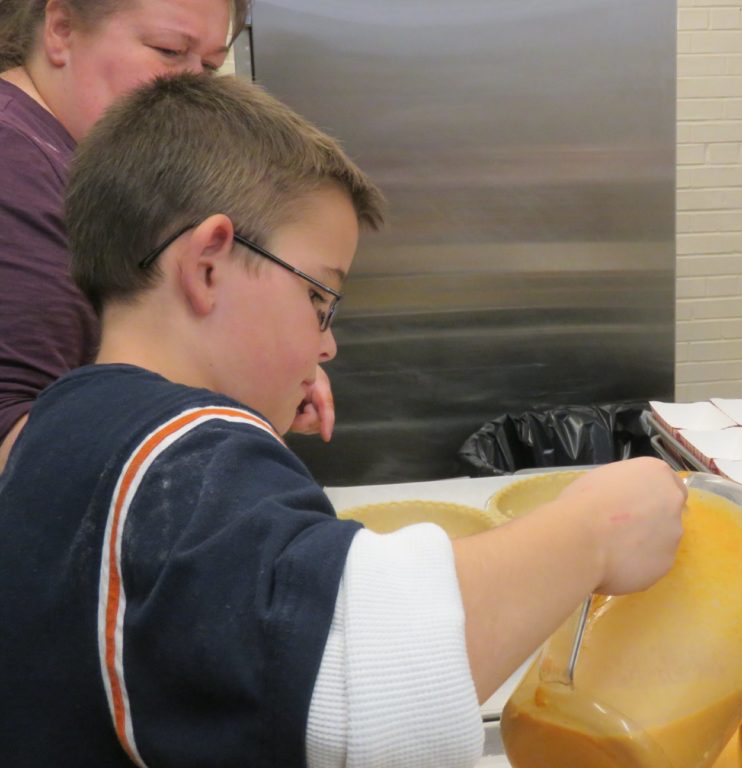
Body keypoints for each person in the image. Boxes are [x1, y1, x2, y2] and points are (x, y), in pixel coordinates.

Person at [0, 73, 687, 766]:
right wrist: (594, 532)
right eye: (318, 298)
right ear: (207, 265)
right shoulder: (183, 458)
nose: (326, 343)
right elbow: (361, 681)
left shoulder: (67, 421)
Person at [0, 0, 335, 474]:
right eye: (169, 50)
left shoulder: (85, 167)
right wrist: (233, 393)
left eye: (211, 67)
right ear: (60, 29)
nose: (191, 90)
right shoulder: (11, 163)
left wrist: (267, 357)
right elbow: (21, 451)